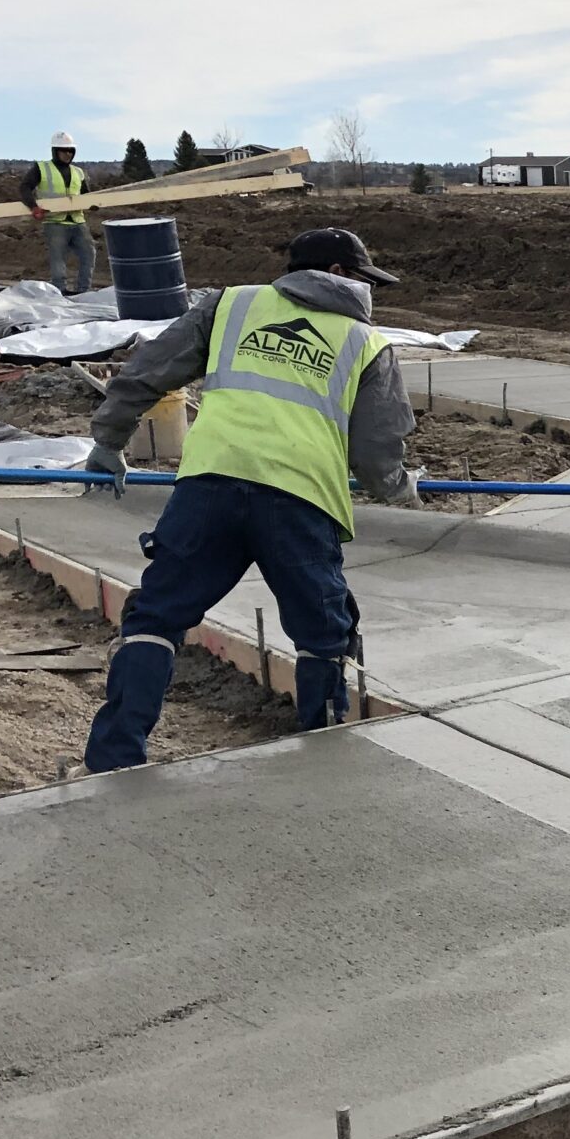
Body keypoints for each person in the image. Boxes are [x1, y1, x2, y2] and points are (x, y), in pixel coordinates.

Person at [81, 227, 424, 772]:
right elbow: (378, 449)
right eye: (363, 278)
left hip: (209, 486)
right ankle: (324, 755)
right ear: (337, 273)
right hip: (301, 497)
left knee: (155, 618)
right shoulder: (367, 343)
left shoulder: (230, 306)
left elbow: (147, 372)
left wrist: (107, 443)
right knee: (323, 632)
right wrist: (400, 485)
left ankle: (114, 760)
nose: (368, 290)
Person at [20, 131, 96, 294]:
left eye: (70, 151)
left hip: (77, 220)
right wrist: (34, 207)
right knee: (58, 259)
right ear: (55, 151)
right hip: (55, 222)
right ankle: (60, 291)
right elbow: (25, 187)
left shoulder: (78, 172)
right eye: (64, 150)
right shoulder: (42, 168)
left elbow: (85, 195)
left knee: (89, 254)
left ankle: (84, 290)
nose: (68, 154)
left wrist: (92, 204)